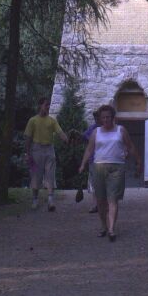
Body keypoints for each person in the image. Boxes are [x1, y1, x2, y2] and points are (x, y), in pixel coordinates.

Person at [79, 104, 141, 241]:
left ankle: (111, 229)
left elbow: (130, 146)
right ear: (100, 119)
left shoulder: (121, 130)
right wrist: (83, 164)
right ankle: (103, 226)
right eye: (103, 118)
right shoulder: (96, 132)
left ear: (113, 118)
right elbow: (89, 149)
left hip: (117, 168)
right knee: (101, 201)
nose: (106, 120)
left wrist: (138, 161)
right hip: (99, 167)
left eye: (108, 117)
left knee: (113, 199)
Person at [24, 97, 69, 211]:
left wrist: (66, 139)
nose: (48, 107)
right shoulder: (32, 121)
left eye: (49, 105)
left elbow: (60, 132)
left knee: (50, 174)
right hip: (36, 150)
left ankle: (50, 200)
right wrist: (27, 153)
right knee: (36, 175)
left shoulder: (52, 120)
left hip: (49, 149)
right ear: (40, 106)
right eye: (46, 105)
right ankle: (35, 200)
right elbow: (28, 138)